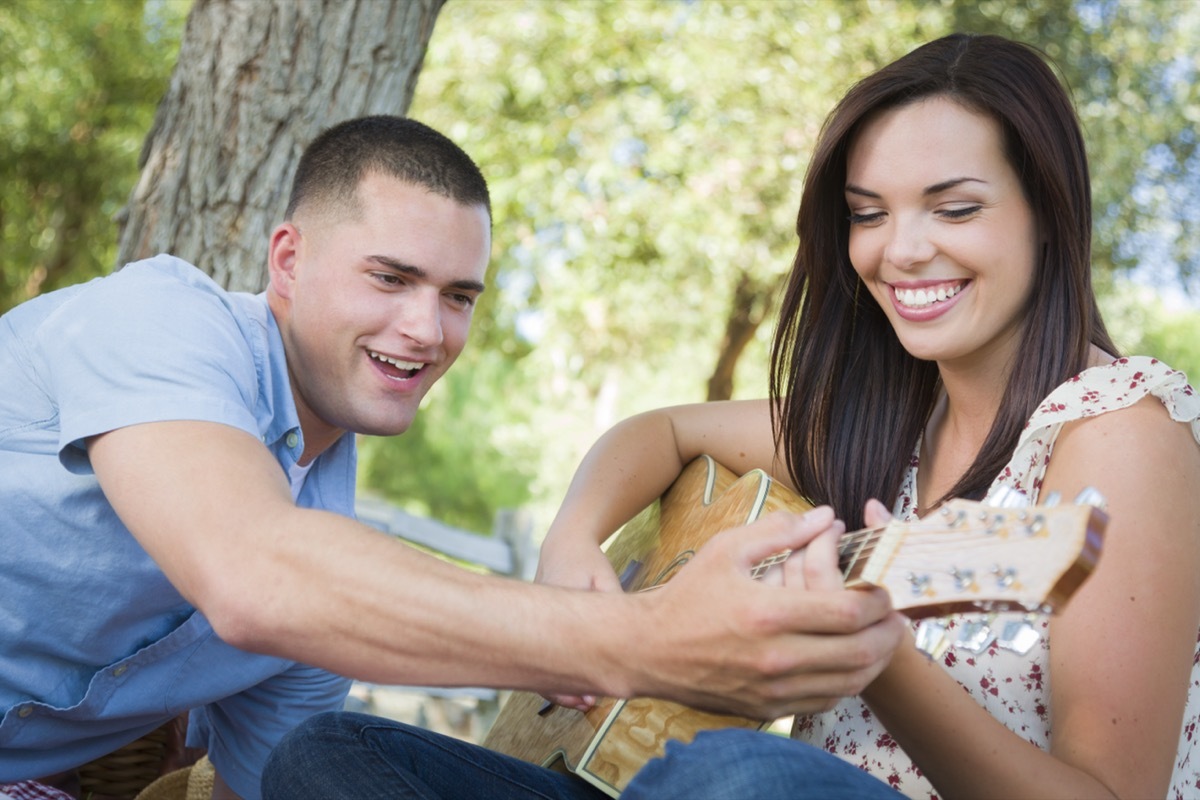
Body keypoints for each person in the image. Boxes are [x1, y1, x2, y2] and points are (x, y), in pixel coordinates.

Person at [263, 33, 1200, 800]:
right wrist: (572, 545)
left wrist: (876, 657)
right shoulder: (886, 423)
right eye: (867, 214)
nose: (901, 250)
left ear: (1047, 212)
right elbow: (659, 433)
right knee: (332, 756)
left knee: (736, 774)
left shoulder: (1120, 429)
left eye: (952, 208)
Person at [0, 116, 905, 800]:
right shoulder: (155, 318)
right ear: (286, 261)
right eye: (389, 278)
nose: (426, 330)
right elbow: (252, 573)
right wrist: (645, 640)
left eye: (458, 296)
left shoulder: (322, 600)